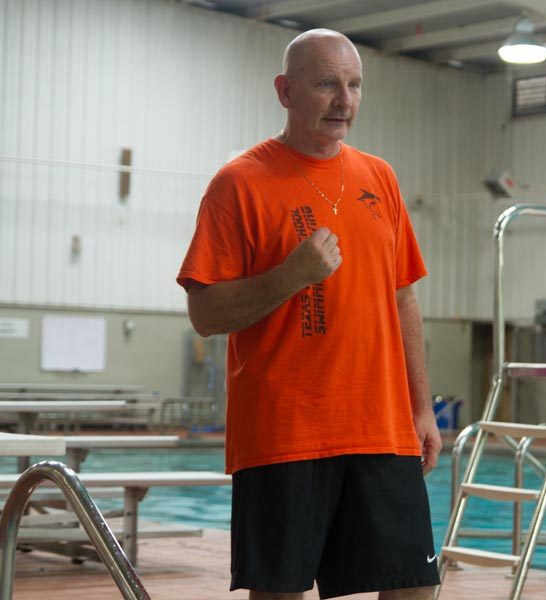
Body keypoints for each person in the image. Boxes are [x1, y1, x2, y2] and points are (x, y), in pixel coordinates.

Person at [176, 29, 441, 600]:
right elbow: (204, 312)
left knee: (416, 585)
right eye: (326, 84)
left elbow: (403, 298)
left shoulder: (380, 178)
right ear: (285, 91)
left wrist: (422, 407)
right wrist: (290, 276)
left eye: (353, 85)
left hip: (383, 427)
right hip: (285, 432)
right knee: (281, 592)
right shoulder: (239, 184)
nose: (344, 100)